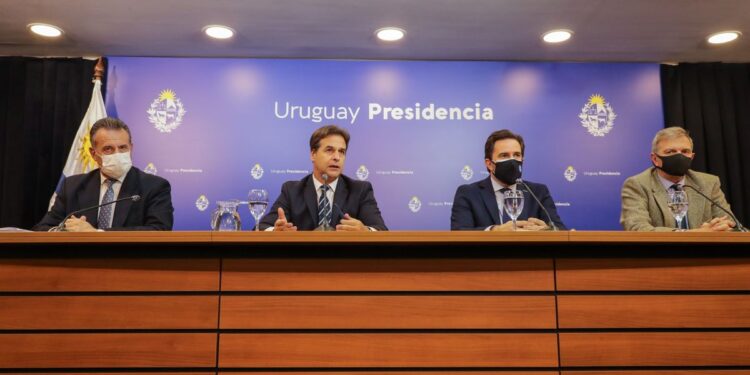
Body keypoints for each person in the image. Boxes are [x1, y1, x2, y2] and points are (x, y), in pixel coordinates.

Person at [33, 117, 173, 231]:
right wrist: (64, 230)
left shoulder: (154, 186)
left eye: (123, 148)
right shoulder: (72, 186)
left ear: (131, 148)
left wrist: (96, 234)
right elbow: (43, 228)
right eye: (108, 149)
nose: (117, 154)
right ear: (93, 154)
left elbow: (159, 229)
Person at [259, 125, 387, 231]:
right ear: (313, 154)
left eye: (342, 152)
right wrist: (275, 231)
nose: (337, 157)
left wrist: (365, 231)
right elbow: (262, 227)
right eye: (330, 150)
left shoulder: (360, 190)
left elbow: (381, 230)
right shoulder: (292, 190)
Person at [620, 126, 736, 232]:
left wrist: (725, 227)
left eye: (685, 151)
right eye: (670, 152)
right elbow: (637, 228)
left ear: (692, 157)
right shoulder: (637, 184)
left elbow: (731, 224)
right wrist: (696, 234)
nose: (679, 156)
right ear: (655, 159)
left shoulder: (709, 183)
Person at [451, 129, 566, 231]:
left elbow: (560, 229)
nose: (512, 161)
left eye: (516, 155)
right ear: (490, 164)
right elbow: (459, 232)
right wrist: (495, 231)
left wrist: (546, 230)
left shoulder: (538, 192)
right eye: (504, 155)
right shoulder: (469, 193)